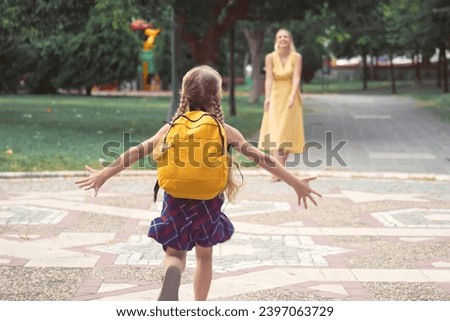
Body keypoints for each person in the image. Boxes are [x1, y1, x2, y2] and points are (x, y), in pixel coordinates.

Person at [75, 65, 321, 301]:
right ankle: (199, 308)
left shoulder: (171, 128)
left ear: (185, 95)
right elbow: (264, 159)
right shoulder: (225, 130)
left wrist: (103, 174)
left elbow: (136, 152)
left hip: (175, 199)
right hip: (208, 202)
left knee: (174, 254)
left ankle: (173, 273)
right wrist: (296, 182)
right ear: (217, 96)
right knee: (204, 256)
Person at [258, 29, 305, 182]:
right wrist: (267, 98)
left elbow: (297, 77)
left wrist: (293, 95)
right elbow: (269, 79)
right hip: (275, 96)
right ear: (276, 40)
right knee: (275, 133)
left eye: (286, 36)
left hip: (291, 97)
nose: (283, 39)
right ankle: (278, 171)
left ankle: (279, 171)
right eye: (280, 37)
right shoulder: (270, 57)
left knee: (286, 133)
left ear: (290, 40)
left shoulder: (296, 57)